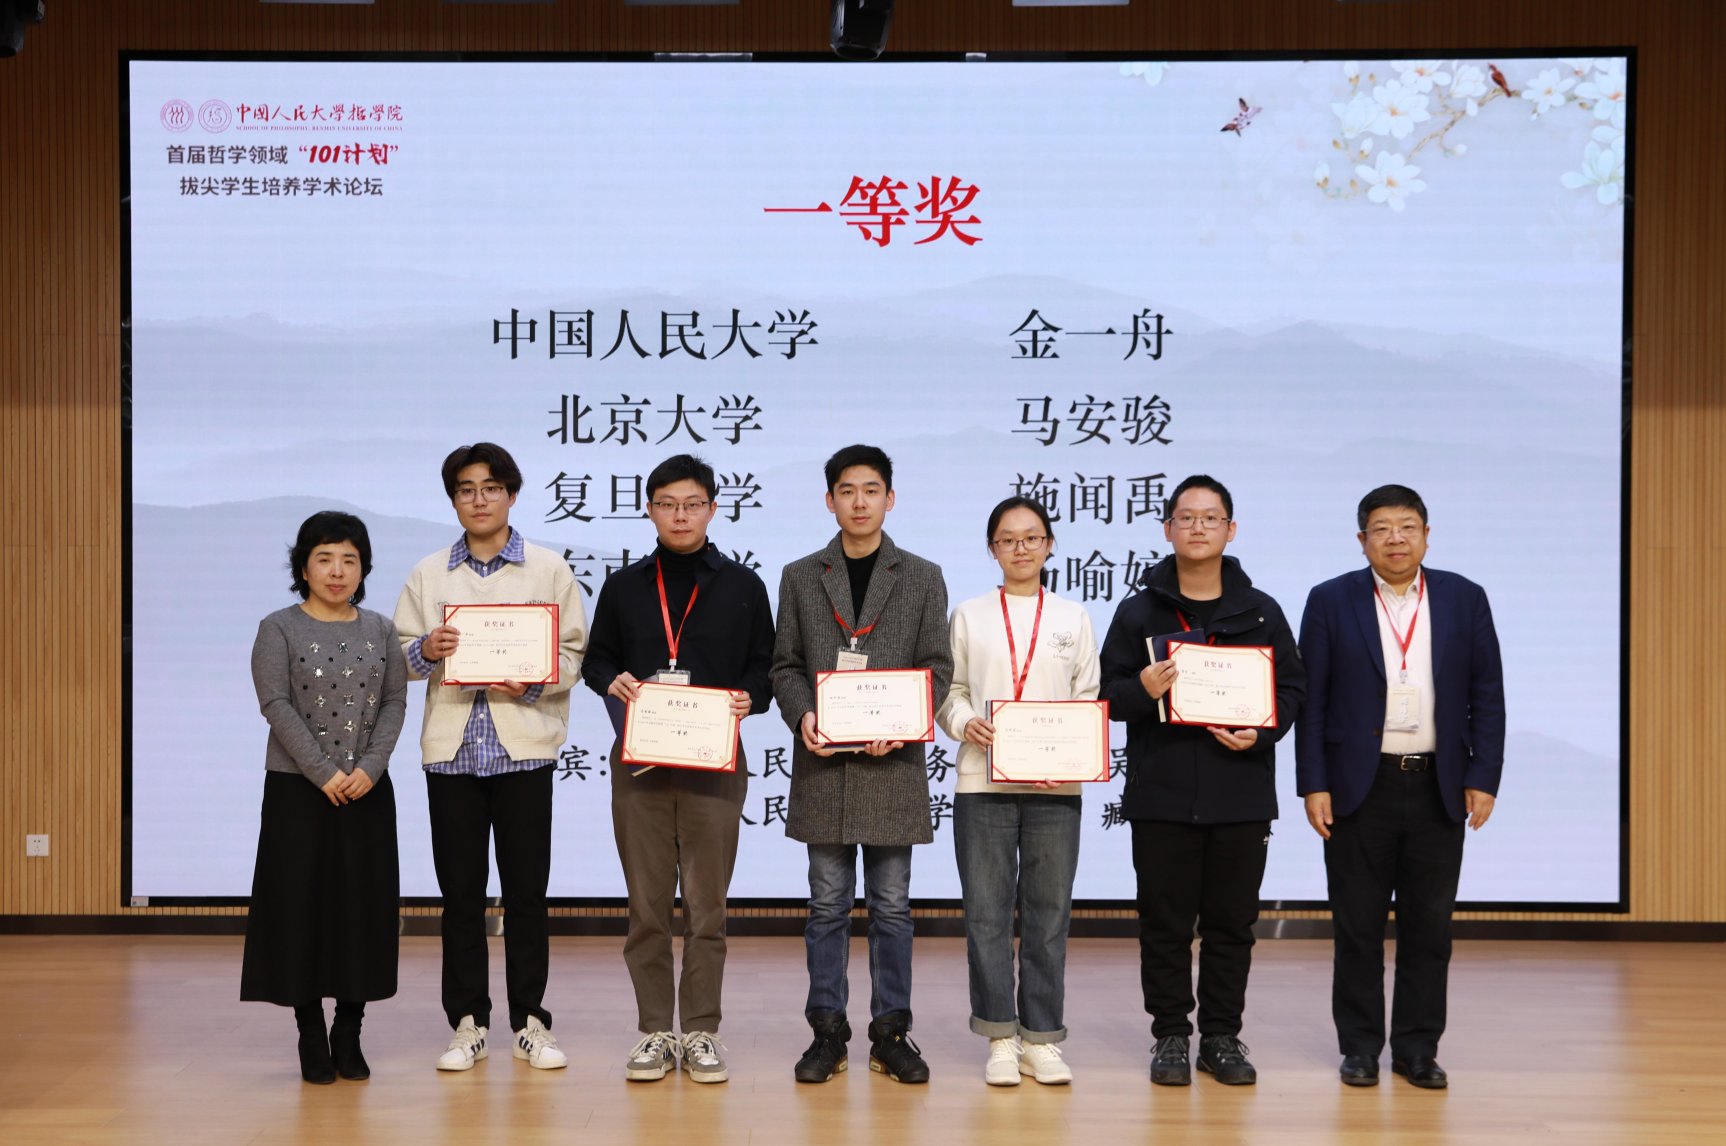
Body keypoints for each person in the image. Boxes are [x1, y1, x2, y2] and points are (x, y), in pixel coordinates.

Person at [1295, 484, 1505, 1090]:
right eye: (1381, 529)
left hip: (1440, 783)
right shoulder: (1330, 600)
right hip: (1360, 786)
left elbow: (1488, 695)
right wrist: (1314, 783)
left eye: (1407, 527)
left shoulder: (1465, 598)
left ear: (1426, 536)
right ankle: (1360, 1048)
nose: (1395, 539)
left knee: (1429, 928)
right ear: (1362, 540)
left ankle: (1417, 1049)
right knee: (1356, 926)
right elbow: (1312, 704)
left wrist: (1483, 776)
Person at [1098, 474, 1305, 1087]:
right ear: (1167, 529)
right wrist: (1143, 689)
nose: (1197, 527)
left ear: (1230, 530)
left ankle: (1220, 1036)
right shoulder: (1138, 611)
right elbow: (1106, 696)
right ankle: (1169, 1034)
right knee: (1163, 925)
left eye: (1210, 518)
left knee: (1231, 926)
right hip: (1161, 795)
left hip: (1240, 793)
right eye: (1186, 518)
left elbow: (1292, 689)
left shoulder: (1261, 610)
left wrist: (1260, 733)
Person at [393, 442, 588, 1073]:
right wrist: (427, 648)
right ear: (453, 499)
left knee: (527, 894)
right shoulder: (428, 573)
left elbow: (574, 655)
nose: (479, 499)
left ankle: (531, 1021)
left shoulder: (548, 568)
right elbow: (398, 655)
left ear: (512, 494)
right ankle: (467, 1023)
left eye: (491, 487)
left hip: (523, 751)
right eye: (466, 489)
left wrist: (530, 681)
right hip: (452, 754)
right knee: (460, 897)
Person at [580, 454, 774, 1085]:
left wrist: (749, 697)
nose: (680, 515)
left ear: (713, 508)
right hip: (640, 766)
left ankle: (701, 1030)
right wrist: (611, 679)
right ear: (650, 510)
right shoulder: (623, 587)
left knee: (707, 906)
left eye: (692, 504)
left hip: (714, 765)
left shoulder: (744, 586)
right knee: (647, 907)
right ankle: (655, 1031)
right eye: (667, 504)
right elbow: (595, 661)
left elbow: (766, 668)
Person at [770, 444, 953, 1085]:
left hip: (892, 768)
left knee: (892, 907)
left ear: (889, 499)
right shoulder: (800, 575)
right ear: (830, 500)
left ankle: (891, 1033)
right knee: (826, 906)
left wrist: (901, 726)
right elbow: (785, 666)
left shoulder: (922, 575)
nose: (859, 502)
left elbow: (937, 666)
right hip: (824, 764)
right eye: (847, 491)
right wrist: (803, 716)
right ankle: (827, 1033)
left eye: (871, 490)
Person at [936, 497, 1099, 1087]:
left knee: (1048, 915)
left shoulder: (1074, 617)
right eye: (1008, 539)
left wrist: (1071, 753)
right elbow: (949, 690)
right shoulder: (969, 614)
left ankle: (1042, 1038)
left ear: (1050, 545)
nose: (1021, 548)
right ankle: (1000, 1037)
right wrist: (965, 723)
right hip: (982, 782)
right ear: (993, 549)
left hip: (1057, 786)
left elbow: (1087, 696)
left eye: (1032, 537)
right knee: (986, 914)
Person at [241, 510, 407, 1085]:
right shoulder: (278, 628)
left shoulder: (381, 629)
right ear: (303, 567)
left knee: (362, 909)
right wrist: (322, 772)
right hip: (298, 792)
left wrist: (370, 767)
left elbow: (394, 702)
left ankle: (349, 1030)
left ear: (363, 569)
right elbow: (275, 704)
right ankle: (310, 1033)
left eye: (350, 560)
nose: (338, 571)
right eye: (325, 559)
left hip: (366, 790)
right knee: (299, 909)